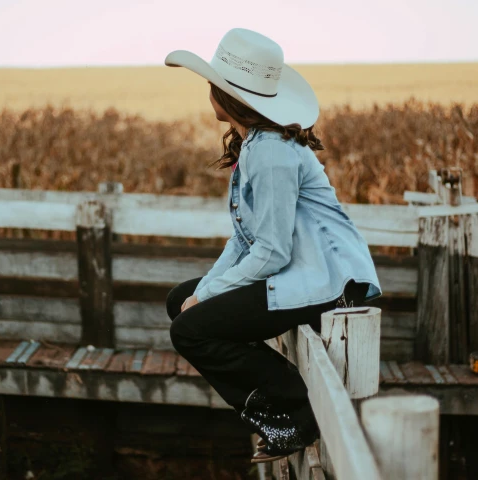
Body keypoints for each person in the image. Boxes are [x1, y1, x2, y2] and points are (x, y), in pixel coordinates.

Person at [163, 28, 381, 464]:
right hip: (302, 272)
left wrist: (207, 297)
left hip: (330, 282)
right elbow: (245, 241)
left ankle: (292, 411)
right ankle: (284, 399)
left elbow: (273, 252)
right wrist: (203, 290)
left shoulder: (271, 153)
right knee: (180, 301)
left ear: (225, 97)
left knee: (189, 328)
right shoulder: (258, 144)